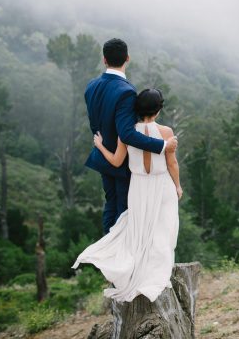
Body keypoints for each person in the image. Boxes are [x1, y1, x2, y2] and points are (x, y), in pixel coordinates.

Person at [73, 88, 182, 302]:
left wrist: (100, 147)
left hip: (139, 187)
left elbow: (115, 161)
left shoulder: (127, 133)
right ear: (158, 110)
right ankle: (158, 273)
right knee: (164, 230)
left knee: (141, 230)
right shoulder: (166, 132)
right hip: (162, 185)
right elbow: (172, 163)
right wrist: (178, 186)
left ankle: (138, 274)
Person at [84, 38, 178, 233]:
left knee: (110, 207)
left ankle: (108, 257)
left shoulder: (91, 87)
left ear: (104, 60)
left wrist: (102, 147)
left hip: (104, 157)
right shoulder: (126, 92)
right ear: (128, 58)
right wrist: (162, 146)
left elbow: (95, 125)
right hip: (122, 161)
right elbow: (126, 134)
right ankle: (122, 257)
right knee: (125, 211)